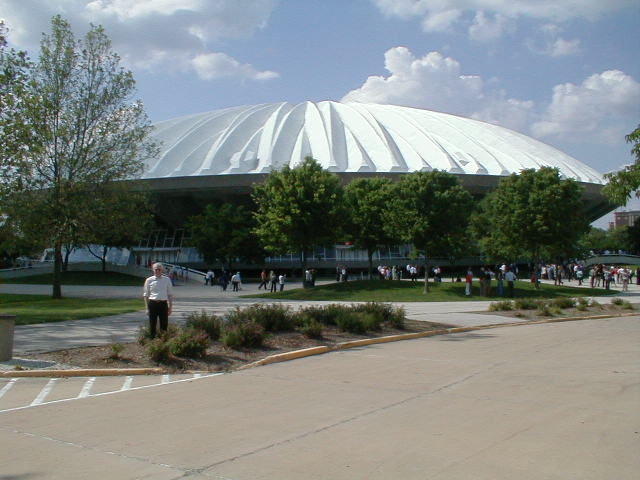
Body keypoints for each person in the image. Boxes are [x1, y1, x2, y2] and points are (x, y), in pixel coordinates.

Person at [143, 263, 174, 338]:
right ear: (153, 270)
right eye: (156, 269)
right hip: (152, 304)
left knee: (164, 324)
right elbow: (145, 295)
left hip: (163, 304)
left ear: (162, 270)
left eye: (159, 269)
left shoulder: (167, 280)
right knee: (152, 324)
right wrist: (147, 308)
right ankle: (152, 340)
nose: (157, 271)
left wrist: (170, 307)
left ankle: (163, 340)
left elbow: (170, 294)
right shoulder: (149, 280)